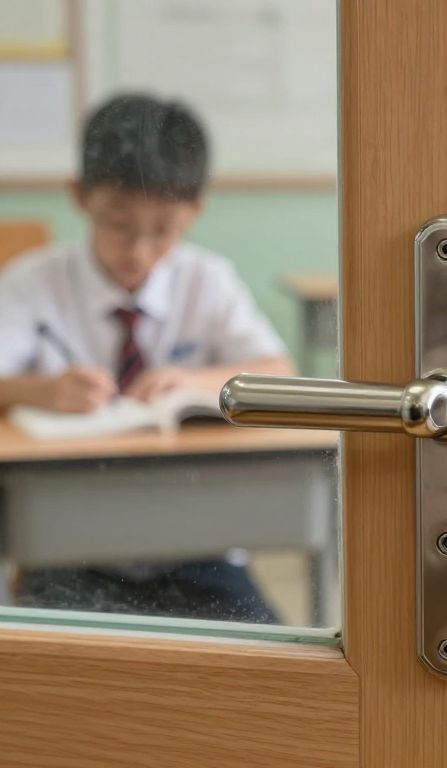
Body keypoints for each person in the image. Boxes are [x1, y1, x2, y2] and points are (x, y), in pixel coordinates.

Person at [0, 93, 294, 622]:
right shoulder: (33, 282)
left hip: (201, 542)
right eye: (118, 224)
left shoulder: (207, 279)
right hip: (70, 545)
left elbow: (278, 370)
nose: (138, 251)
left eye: (163, 231)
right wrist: (41, 390)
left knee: (267, 673)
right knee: (52, 678)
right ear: (79, 197)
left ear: (195, 212)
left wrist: (196, 381)